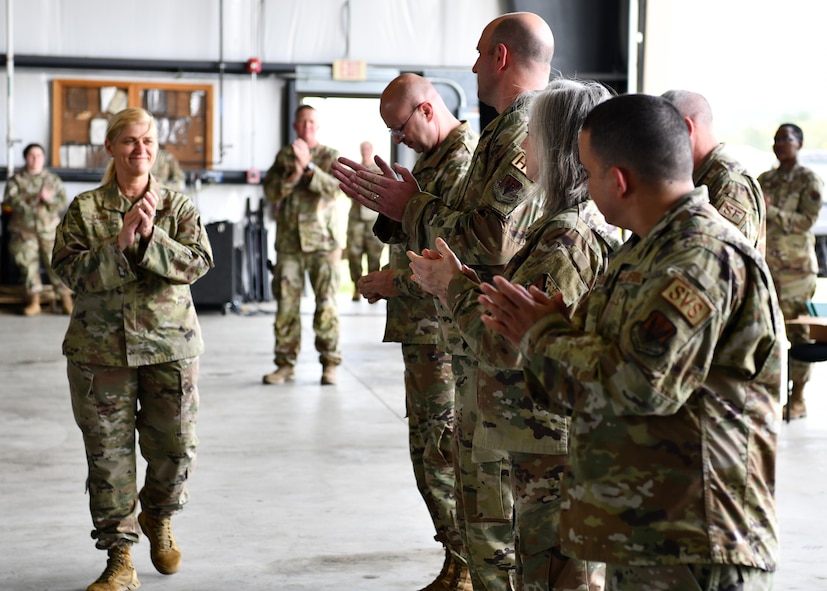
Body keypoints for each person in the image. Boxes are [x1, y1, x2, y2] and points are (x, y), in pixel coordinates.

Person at [477, 93, 782, 590]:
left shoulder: (698, 258)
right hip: (647, 532)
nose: (587, 185)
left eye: (590, 171)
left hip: (694, 544)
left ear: (617, 180)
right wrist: (556, 333)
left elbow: (641, 383)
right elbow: (607, 362)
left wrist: (543, 335)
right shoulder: (645, 252)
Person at [334, 11, 554, 591]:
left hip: (477, 329)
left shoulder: (515, 132)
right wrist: (397, 214)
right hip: (466, 326)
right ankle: (465, 565)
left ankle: (467, 567)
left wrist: (410, 215)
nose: (474, 64)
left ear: (502, 58)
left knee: (476, 481)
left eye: (481, 54)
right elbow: (447, 232)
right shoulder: (500, 132)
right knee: (465, 474)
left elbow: (485, 239)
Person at [409, 79, 615, 591]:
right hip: (532, 439)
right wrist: (466, 282)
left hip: (551, 446)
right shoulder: (559, 226)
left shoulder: (566, 236)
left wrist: (451, 286)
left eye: (533, 136)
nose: (523, 148)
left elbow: (508, 342)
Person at [52, 107, 213, 591]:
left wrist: (149, 240)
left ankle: (158, 517)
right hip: (100, 354)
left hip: (169, 347)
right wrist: (118, 244)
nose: (139, 150)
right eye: (129, 142)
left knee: (176, 448)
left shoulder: (178, 208)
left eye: (148, 142)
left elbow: (199, 263)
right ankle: (119, 558)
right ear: (111, 148)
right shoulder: (84, 209)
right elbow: (67, 271)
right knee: (107, 457)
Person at [356, 73, 479, 591]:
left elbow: (460, 254)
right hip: (425, 332)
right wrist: (387, 214)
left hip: (446, 330)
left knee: (443, 450)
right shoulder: (430, 160)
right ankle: (456, 558)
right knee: (429, 449)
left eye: (400, 127)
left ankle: (467, 564)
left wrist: (394, 280)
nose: (397, 139)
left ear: (427, 110)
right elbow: (418, 228)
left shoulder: (463, 162)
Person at [261, 104, 342, 386]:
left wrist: (308, 168)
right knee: (286, 306)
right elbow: (270, 191)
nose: (307, 126)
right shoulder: (284, 156)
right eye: (302, 122)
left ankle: (329, 363)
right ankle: (284, 364)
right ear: (295, 126)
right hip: (289, 244)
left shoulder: (330, 155)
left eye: (311, 122)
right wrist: (293, 174)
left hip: (323, 243)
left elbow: (337, 188)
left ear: (317, 126)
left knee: (327, 305)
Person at [758, 123, 824, 419]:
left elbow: (806, 222)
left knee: (800, 335)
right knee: (764, 333)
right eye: (776, 139)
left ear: (799, 143)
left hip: (796, 273)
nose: (779, 143)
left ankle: (797, 399)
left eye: (786, 138)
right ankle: (767, 395)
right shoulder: (765, 179)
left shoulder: (808, 179)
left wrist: (772, 211)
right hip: (766, 268)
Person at [662, 89, 766, 253]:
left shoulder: (730, 183)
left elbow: (725, 262)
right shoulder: (696, 173)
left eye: (663, 133)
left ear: (687, 129)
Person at [2, 142, 73, 315]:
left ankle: (66, 300)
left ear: (43, 158)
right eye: (31, 156)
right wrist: (33, 202)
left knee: (57, 264)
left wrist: (48, 199)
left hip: (49, 231)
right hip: (23, 231)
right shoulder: (16, 181)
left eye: (39, 156)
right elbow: (10, 203)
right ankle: (34, 302)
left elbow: (63, 202)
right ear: (26, 158)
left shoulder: (52, 180)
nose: (35, 159)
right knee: (27, 267)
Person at [346, 141, 385, 301]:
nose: (365, 151)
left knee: (374, 254)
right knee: (353, 254)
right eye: (363, 149)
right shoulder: (354, 170)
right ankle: (357, 286)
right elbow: (347, 189)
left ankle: (372, 290)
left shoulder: (378, 171)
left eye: (368, 148)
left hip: (373, 219)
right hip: (356, 219)